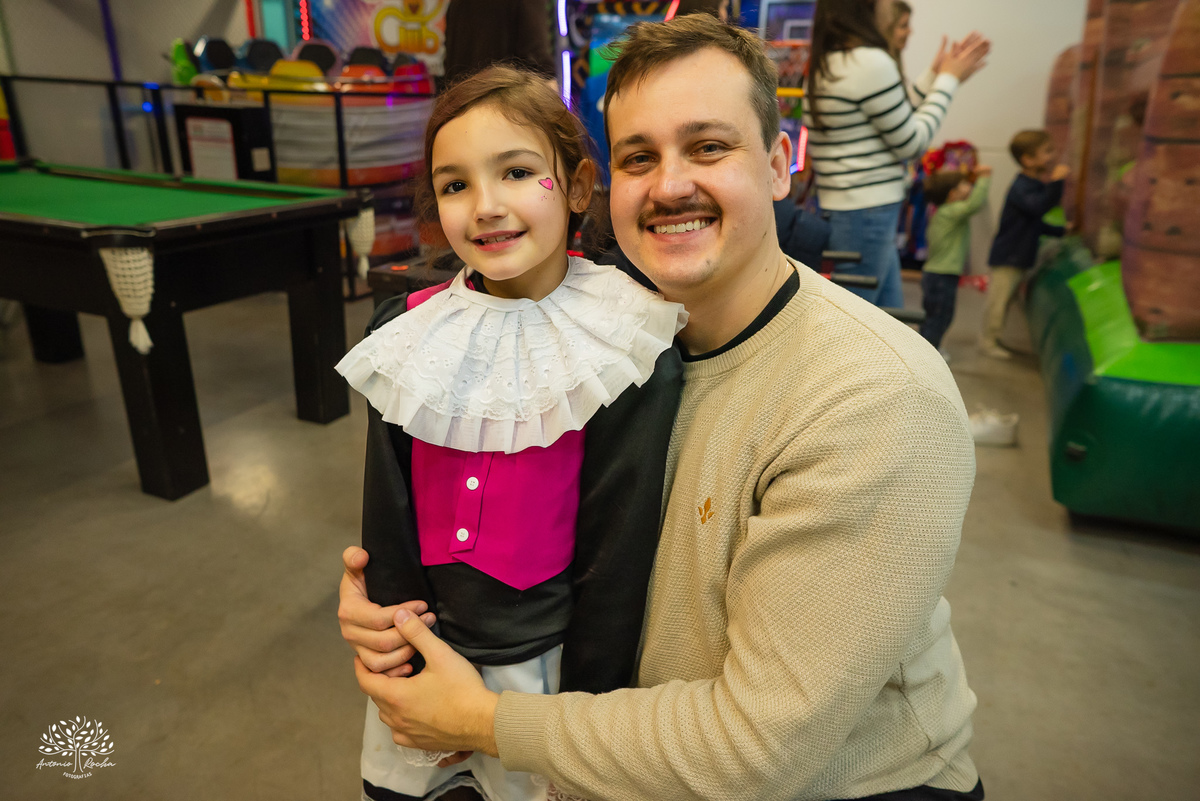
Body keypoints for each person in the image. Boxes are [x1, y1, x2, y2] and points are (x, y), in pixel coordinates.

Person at [343, 14, 982, 801]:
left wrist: (480, 720)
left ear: (781, 165)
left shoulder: (875, 398)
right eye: (641, 157)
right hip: (621, 750)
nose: (671, 184)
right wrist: (394, 613)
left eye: (709, 146)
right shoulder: (608, 333)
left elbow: (756, 749)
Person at [336, 65, 687, 801]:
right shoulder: (405, 331)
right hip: (430, 651)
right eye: (455, 184)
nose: (485, 207)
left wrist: (580, 723)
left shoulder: (625, 343)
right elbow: (388, 516)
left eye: (518, 172)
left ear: (578, 186)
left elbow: (616, 560)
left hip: (546, 676)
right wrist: (402, 661)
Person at [804, 0, 990, 308]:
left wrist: (934, 76)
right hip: (868, 211)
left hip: (856, 210)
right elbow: (912, 141)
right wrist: (948, 80)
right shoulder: (869, 62)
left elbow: (893, 116)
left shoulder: (835, 59)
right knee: (860, 318)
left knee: (888, 314)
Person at [980, 130, 1069, 359]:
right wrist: (1057, 182)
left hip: (1019, 255)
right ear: (1028, 159)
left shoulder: (1033, 185)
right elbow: (1038, 208)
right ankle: (988, 342)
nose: (1052, 156)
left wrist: (1061, 231)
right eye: (1047, 151)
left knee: (1006, 301)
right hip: (1009, 255)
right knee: (998, 303)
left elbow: (1035, 223)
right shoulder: (1022, 186)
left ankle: (994, 338)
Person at [919, 166, 993, 357]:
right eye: (965, 184)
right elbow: (975, 204)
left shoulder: (944, 211)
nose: (970, 186)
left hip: (938, 275)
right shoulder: (950, 211)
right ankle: (928, 355)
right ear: (953, 194)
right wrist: (984, 178)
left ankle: (928, 348)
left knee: (935, 316)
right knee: (939, 317)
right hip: (941, 276)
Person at [442, 0, 555, 85]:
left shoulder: (457, 3)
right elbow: (539, 66)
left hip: (459, 105)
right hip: (504, 107)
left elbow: (450, 60)